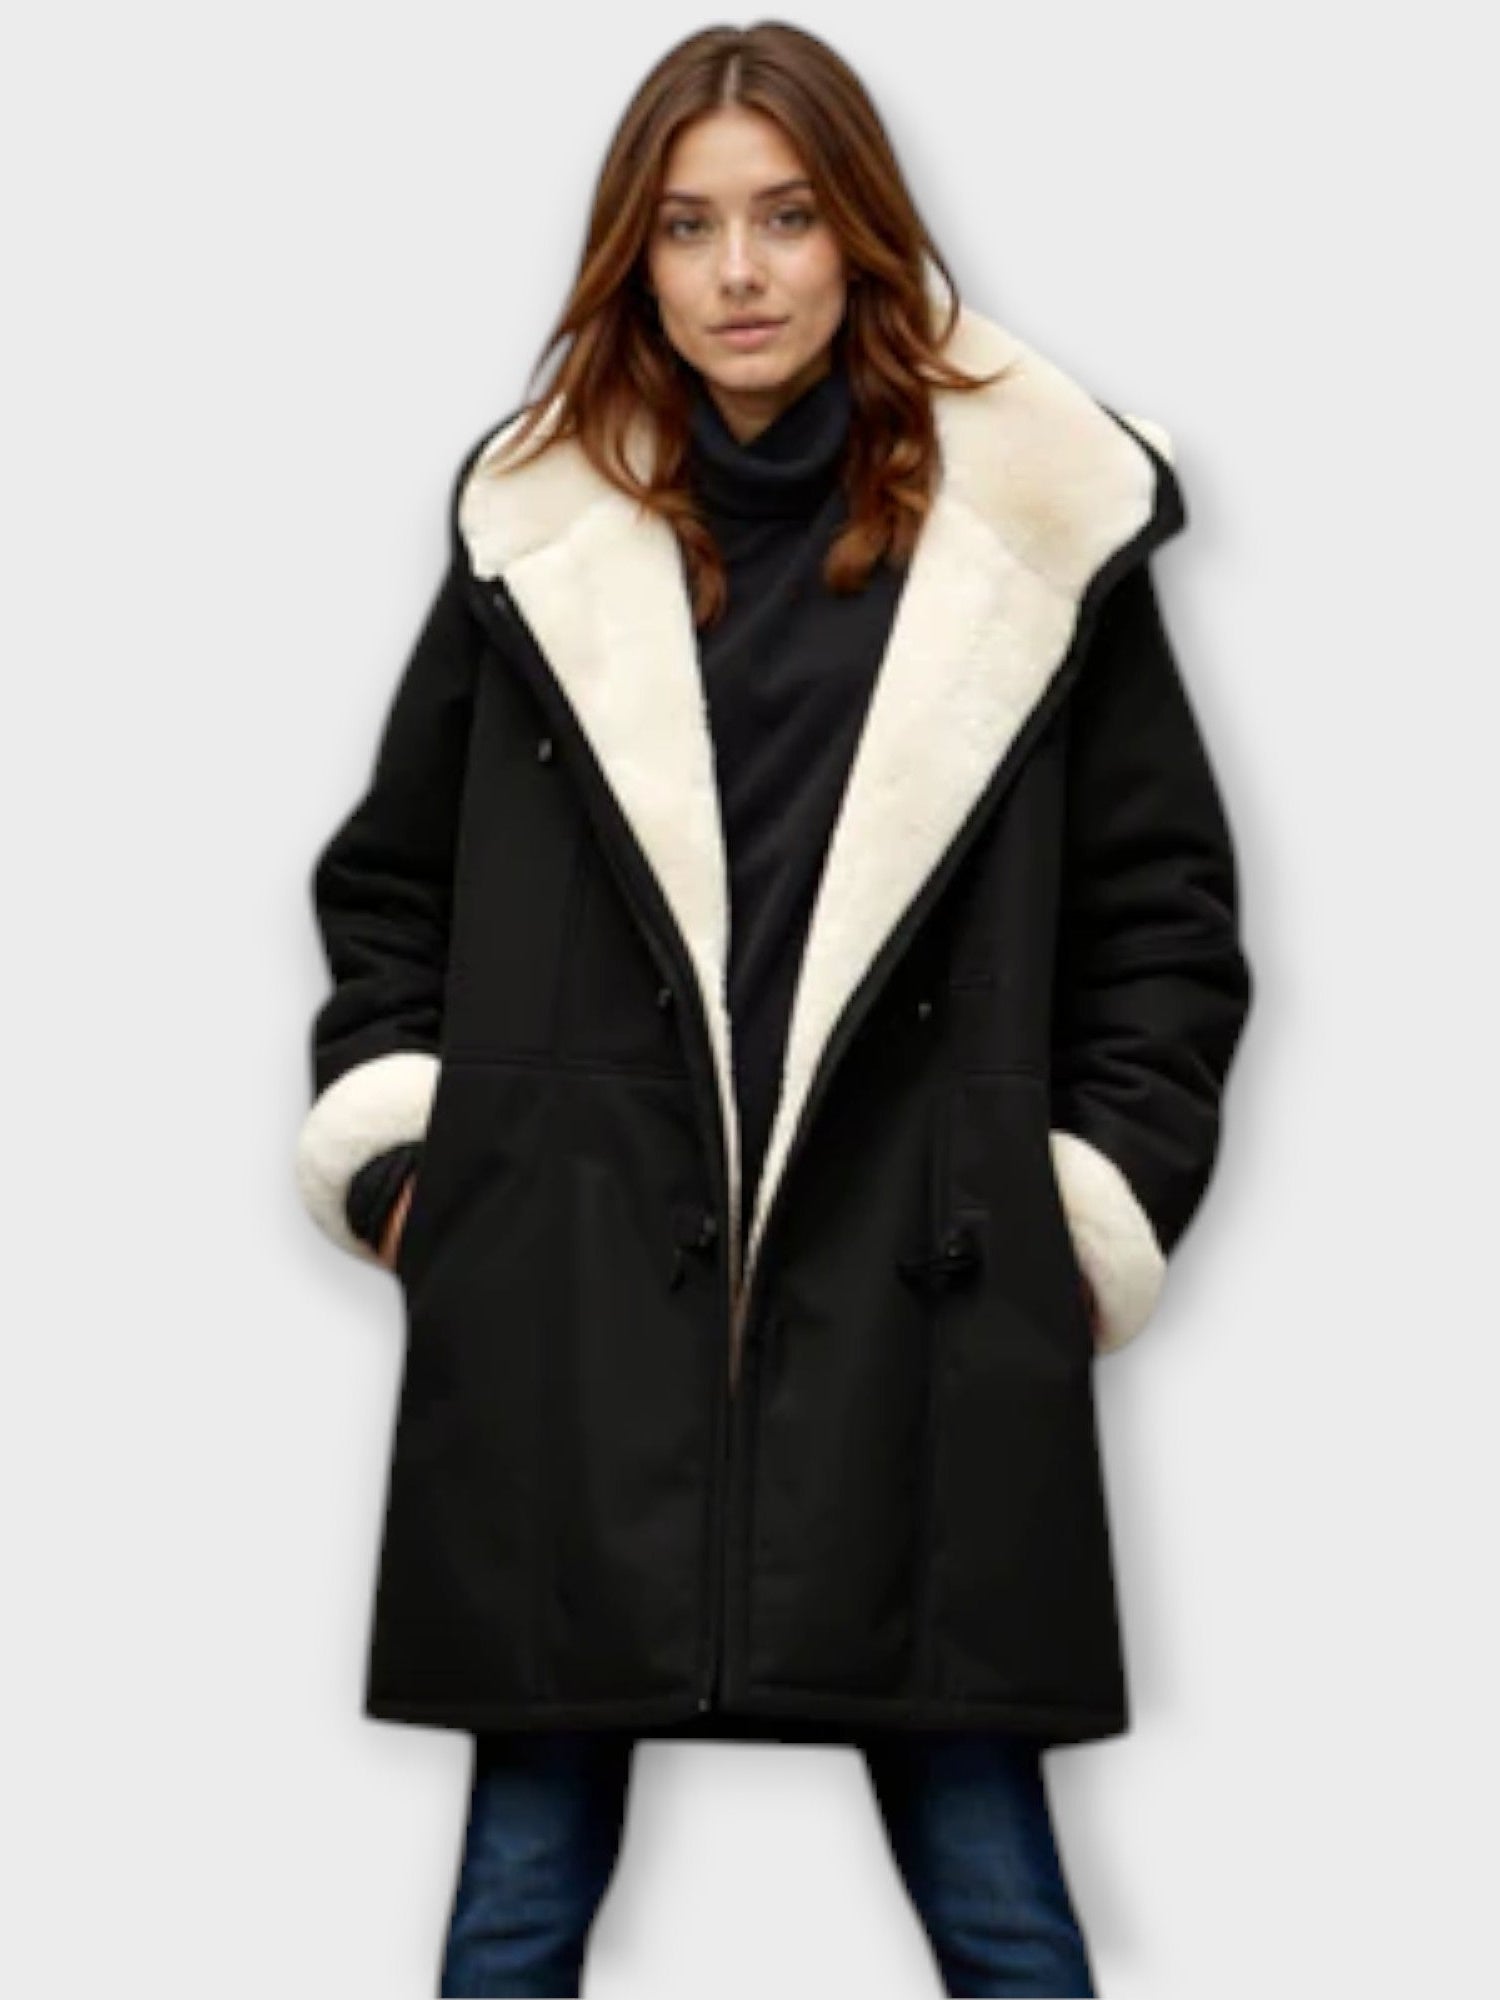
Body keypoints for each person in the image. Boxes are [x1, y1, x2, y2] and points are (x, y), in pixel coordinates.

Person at [294, 22, 1254, 1998]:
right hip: (573, 1327)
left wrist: (1078, 1226)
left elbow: (1165, 922)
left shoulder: (1028, 549)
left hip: (926, 1319)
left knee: (999, 1912)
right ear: (634, 261)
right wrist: (414, 1180)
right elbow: (391, 889)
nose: (739, 270)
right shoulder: (541, 542)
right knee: (517, 1907)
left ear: (862, 235)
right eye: (688, 226)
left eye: (788, 217)